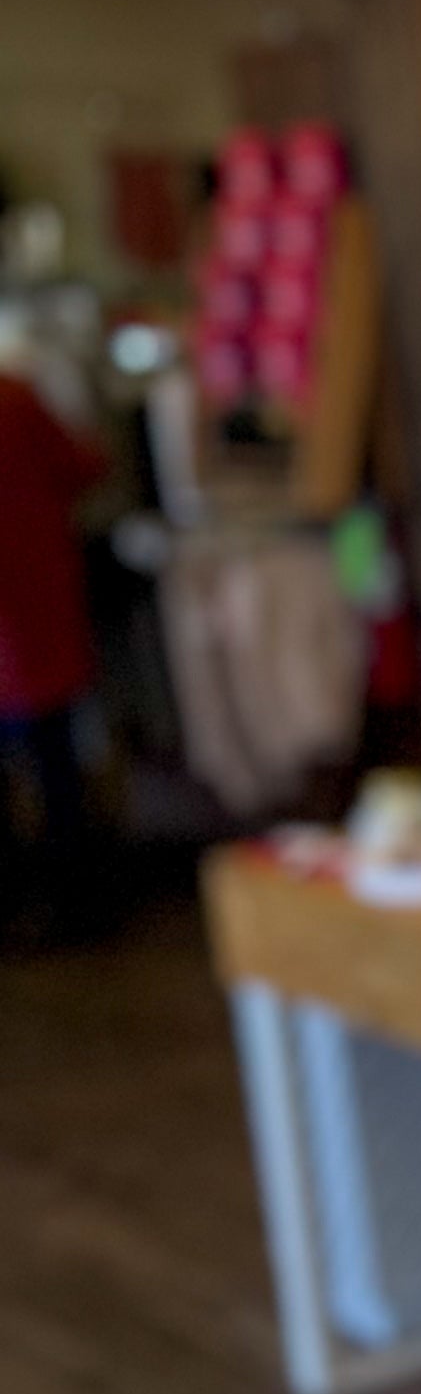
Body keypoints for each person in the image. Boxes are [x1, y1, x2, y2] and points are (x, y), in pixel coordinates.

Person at [0, 338, 106, 944]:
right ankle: (75, 906)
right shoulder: (17, 397)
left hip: (28, 620)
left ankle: (28, 907)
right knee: (55, 767)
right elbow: (84, 468)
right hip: (34, 617)